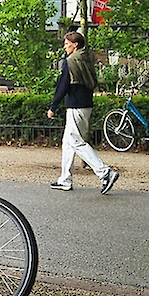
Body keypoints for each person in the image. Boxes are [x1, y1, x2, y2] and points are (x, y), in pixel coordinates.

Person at [47, 31, 119, 194]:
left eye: (67, 43)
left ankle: (105, 172)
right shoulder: (86, 58)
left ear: (75, 45)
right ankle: (65, 179)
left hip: (75, 106)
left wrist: (53, 107)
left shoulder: (70, 61)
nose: (64, 46)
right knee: (68, 142)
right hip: (86, 104)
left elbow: (63, 86)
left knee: (76, 142)